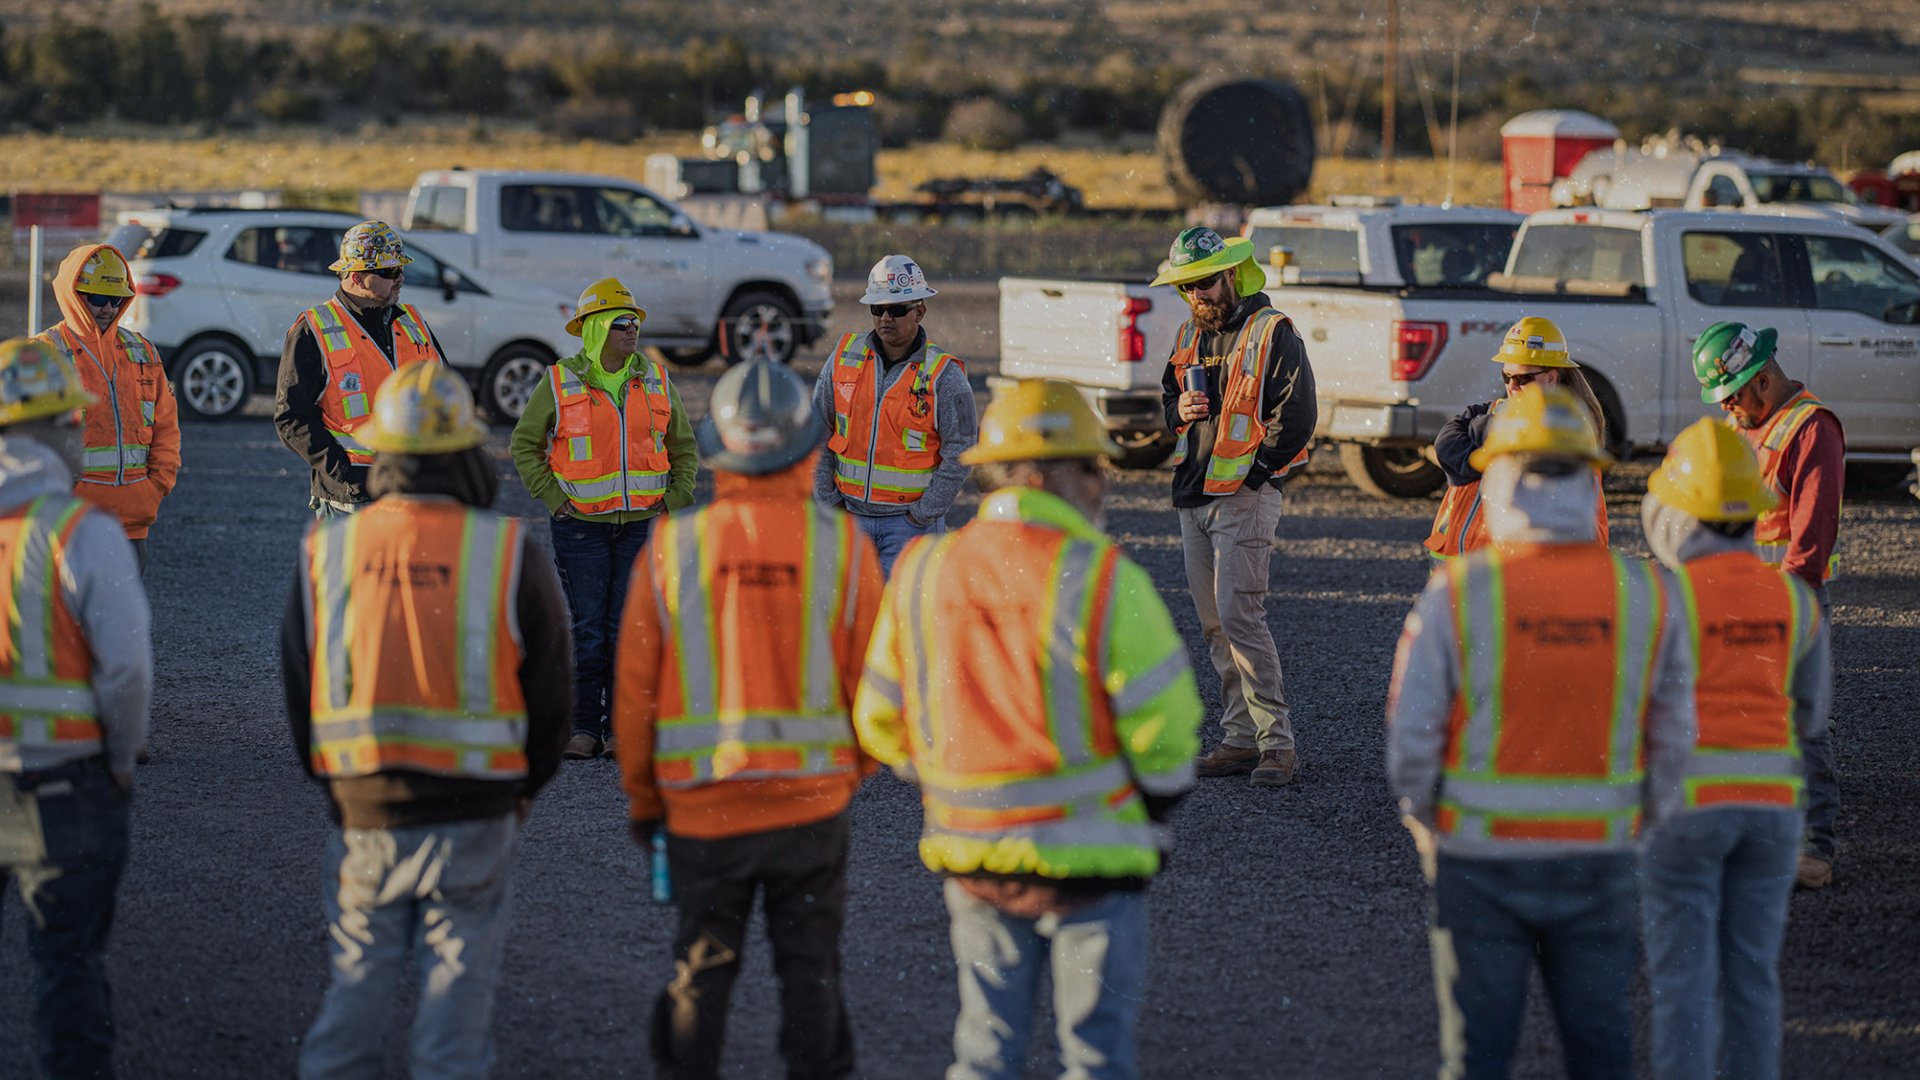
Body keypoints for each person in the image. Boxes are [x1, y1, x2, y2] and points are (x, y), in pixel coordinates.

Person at [853, 379, 1202, 1080]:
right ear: (1049, 473)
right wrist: (1154, 806)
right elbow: (1168, 733)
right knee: (1096, 1058)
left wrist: (950, 779)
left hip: (971, 854)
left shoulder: (923, 570)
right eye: (1093, 466)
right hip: (1093, 865)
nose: (1104, 482)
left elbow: (879, 720)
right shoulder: (1105, 577)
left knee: (985, 1051)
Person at [1386, 384, 1695, 1080]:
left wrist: (1426, 822)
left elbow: (1412, 733)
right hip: (1601, 855)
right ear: (1590, 475)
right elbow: (1677, 737)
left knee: (1477, 1056)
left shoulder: (1459, 591)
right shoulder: (1646, 593)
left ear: (1497, 473)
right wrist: (1645, 821)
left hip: (1479, 855)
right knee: (1600, 1046)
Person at [280, 362, 572, 1080]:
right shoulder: (506, 552)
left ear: (382, 453)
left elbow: (299, 684)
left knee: (355, 994)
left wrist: (338, 786)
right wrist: (522, 790)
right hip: (478, 811)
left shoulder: (329, 552)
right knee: (454, 1023)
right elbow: (553, 693)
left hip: (367, 811)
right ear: (468, 453)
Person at [614, 360, 882, 1080]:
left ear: (719, 448)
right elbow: (880, 691)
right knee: (812, 974)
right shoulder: (847, 547)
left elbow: (635, 694)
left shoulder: (673, 549)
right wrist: (849, 773)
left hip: (703, 812)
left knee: (701, 968)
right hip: (813, 806)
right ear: (809, 447)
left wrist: (646, 801)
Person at [1637, 418, 1830, 1080]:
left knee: (1683, 982)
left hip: (1684, 808)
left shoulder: (1661, 599)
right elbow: (1811, 717)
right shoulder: (1793, 600)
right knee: (1753, 978)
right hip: (1773, 814)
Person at [0, 337, 152, 1079]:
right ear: (63, 428)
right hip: (65, 786)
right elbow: (126, 672)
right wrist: (120, 760)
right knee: (66, 967)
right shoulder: (81, 532)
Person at [1154, 226, 1317, 787]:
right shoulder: (1188, 336)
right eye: (1189, 286)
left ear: (1232, 275)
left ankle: (1277, 744)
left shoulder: (1271, 331)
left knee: (1240, 617)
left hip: (1244, 497)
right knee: (1214, 624)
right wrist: (1180, 410)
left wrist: (1259, 473)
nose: (1199, 295)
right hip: (1193, 493)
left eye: (1206, 283)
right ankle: (1240, 738)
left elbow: (1297, 415)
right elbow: (1165, 404)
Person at [512, 277, 697, 761]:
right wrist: (554, 499)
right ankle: (582, 727)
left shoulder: (656, 378)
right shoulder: (558, 381)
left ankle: (619, 727)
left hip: (641, 524)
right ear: (594, 329)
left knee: (627, 628)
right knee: (589, 627)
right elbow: (524, 445)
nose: (631, 330)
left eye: (634, 321)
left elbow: (684, 448)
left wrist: (674, 500)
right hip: (580, 528)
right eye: (619, 323)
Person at [1691, 320, 1845, 889]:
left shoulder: (1812, 428)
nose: (1728, 409)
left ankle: (1814, 847)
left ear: (1761, 378)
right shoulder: (1753, 427)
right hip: (1742, 600)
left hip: (1789, 600)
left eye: (1731, 396)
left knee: (1799, 725)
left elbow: (1811, 532)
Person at [811, 254, 978, 577]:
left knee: (904, 620)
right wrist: (829, 501)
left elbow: (962, 449)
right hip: (848, 518)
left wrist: (923, 514)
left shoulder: (944, 374)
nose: (886, 317)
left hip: (909, 526)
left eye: (897, 309)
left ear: (920, 311)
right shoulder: (844, 356)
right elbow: (816, 427)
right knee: (849, 618)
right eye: (877, 308)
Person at [275, 221, 447, 518]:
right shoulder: (313, 329)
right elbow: (291, 418)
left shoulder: (413, 322)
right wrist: (344, 472)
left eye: (401, 269)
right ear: (356, 277)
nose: (400, 278)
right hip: (353, 502)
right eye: (389, 271)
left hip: (418, 490)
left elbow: (447, 392)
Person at [35, 244, 182, 574]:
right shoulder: (44, 356)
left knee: (122, 624)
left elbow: (167, 429)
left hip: (132, 524)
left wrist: (156, 486)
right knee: (64, 623)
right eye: (99, 298)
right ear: (74, 294)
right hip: (68, 523)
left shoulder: (141, 351)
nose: (108, 308)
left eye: (116, 299)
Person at [1426, 316, 1610, 558]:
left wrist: (1486, 452)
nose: (1512, 386)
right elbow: (1446, 447)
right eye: (1506, 377)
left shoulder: (1568, 433)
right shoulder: (1491, 411)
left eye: (1522, 378)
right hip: (1464, 565)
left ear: (1552, 377)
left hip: (1511, 568)